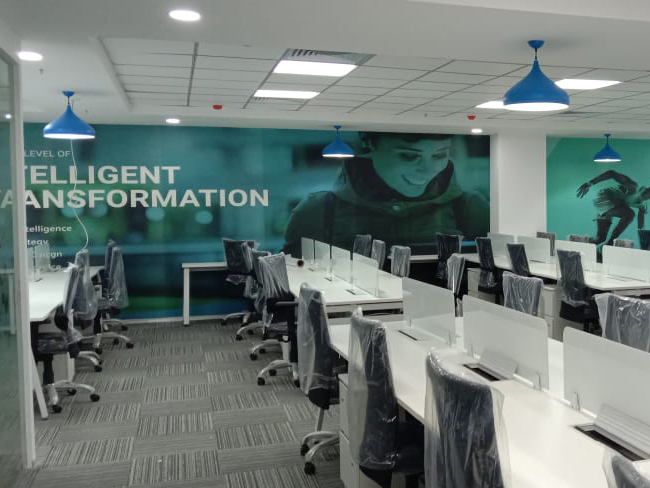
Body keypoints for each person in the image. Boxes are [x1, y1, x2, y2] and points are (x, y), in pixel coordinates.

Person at [283, 132, 489, 256]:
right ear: (369, 143)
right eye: (408, 156)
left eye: (439, 155)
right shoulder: (317, 212)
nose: (427, 171)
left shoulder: (470, 209)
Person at [576, 170, 649, 245]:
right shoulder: (633, 187)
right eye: (646, 191)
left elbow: (640, 228)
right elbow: (611, 173)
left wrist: (644, 242)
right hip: (605, 197)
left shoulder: (642, 205)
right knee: (630, 214)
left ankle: (579, 241)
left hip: (610, 207)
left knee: (600, 239)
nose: (644, 195)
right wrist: (589, 183)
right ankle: (610, 242)